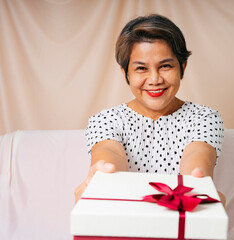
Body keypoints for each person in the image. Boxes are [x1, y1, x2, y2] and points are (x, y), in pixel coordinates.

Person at [74, 14, 225, 205]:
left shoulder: (205, 118)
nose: (154, 79)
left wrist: (197, 182)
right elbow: (109, 153)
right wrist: (104, 170)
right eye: (141, 68)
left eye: (165, 66)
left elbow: (197, 158)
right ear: (125, 73)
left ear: (182, 67)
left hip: (180, 219)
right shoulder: (105, 120)